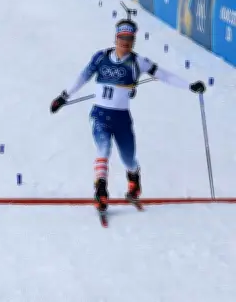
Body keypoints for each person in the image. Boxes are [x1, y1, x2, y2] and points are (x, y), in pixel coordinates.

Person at [50, 19, 205, 215]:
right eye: (122, 38)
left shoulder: (137, 62)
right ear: (116, 38)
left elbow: (164, 75)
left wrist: (189, 86)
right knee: (103, 150)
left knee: (128, 158)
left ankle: (133, 179)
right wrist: (64, 97)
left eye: (130, 39)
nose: (126, 42)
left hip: (121, 118)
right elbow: (83, 76)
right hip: (100, 114)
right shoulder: (100, 57)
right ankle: (101, 190)